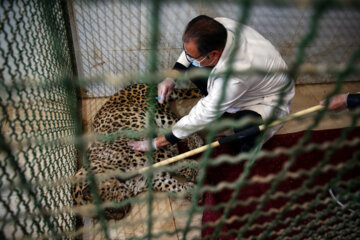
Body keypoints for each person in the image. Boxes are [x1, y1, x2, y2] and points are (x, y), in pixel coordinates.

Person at [128, 15, 295, 152]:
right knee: (193, 68)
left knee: (246, 126)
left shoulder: (235, 76)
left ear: (214, 55)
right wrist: (170, 78)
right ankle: (221, 106)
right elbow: (190, 52)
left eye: (195, 56)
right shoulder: (219, 25)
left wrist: (159, 142)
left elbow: (203, 114)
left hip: (268, 99)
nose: (189, 57)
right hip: (249, 82)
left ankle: (249, 149)